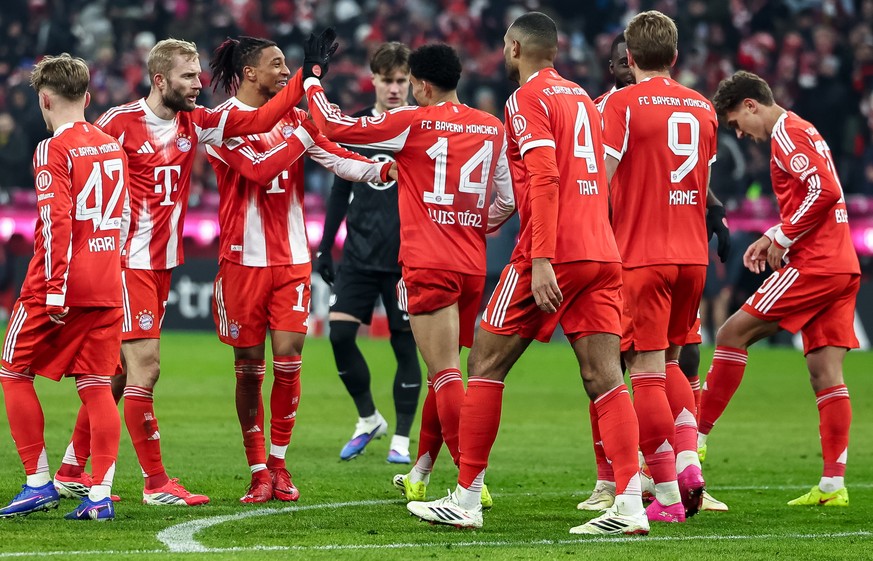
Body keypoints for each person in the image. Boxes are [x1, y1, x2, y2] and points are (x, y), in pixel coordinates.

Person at [52, 34, 320, 506]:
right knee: (146, 369)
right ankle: (156, 484)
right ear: (160, 80)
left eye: (198, 74)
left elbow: (259, 118)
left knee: (118, 372)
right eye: (189, 77)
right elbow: (79, 169)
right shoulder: (118, 123)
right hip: (125, 260)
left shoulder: (196, 123)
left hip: (162, 265)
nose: (200, 84)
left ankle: (73, 467)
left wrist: (305, 77)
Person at [406, 12, 648, 535]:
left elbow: (543, 176)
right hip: (600, 250)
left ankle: (467, 496)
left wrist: (540, 259)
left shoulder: (526, 99)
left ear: (514, 48)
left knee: (486, 364)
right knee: (605, 378)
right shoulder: (583, 97)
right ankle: (630, 502)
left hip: (553, 250)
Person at [304, 40, 514, 506]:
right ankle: (420, 472)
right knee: (449, 373)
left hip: (429, 261)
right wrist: (477, 224)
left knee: (443, 375)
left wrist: (313, 80)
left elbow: (333, 126)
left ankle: (471, 485)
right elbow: (507, 199)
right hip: (472, 264)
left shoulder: (412, 123)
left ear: (421, 84)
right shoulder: (491, 127)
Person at [206, 35, 393, 503]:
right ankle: (256, 470)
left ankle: (279, 464)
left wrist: (378, 171)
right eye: (277, 65)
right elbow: (259, 170)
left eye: (289, 66)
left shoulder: (290, 117)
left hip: (290, 259)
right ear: (250, 72)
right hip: (241, 263)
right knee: (249, 368)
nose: (286, 73)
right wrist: (308, 125)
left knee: (289, 361)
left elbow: (332, 154)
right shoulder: (221, 122)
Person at [579, 31, 730, 515]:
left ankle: (666, 492)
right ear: (676, 55)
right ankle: (688, 463)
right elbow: (700, 182)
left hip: (641, 254)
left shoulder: (619, 105)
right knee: (672, 362)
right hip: (692, 256)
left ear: (629, 58)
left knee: (632, 371)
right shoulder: (703, 107)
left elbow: (597, 181)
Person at [700, 70, 860, 507]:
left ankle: (695, 438)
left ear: (751, 104)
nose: (739, 132)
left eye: (736, 122)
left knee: (732, 333)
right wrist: (780, 234)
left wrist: (781, 236)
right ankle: (833, 485)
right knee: (826, 373)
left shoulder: (787, 133)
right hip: (841, 264)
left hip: (816, 264)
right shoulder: (803, 131)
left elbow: (824, 191)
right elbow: (824, 191)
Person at [0, 53, 128, 520]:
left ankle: (38, 482)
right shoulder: (111, 144)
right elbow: (123, 218)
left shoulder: (51, 149)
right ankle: (99, 496)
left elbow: (57, 220)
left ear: (45, 99)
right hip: (107, 281)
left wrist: (54, 288)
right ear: (88, 97)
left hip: (59, 283)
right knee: (96, 384)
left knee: (13, 372)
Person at [313, 42, 423, 464]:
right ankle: (368, 418)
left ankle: (402, 439)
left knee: (404, 346)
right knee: (339, 335)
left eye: (401, 81)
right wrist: (326, 247)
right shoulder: (356, 127)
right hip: (358, 255)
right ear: (373, 80)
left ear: (410, 82)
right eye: (387, 80)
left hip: (402, 260)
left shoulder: (418, 127)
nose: (394, 89)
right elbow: (340, 189)